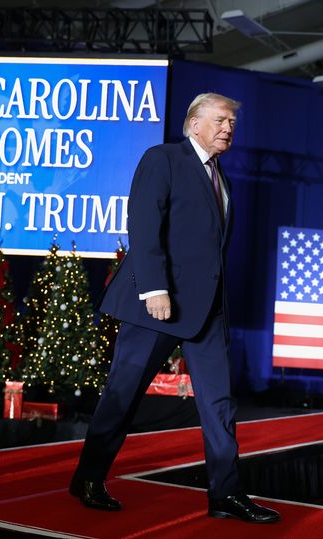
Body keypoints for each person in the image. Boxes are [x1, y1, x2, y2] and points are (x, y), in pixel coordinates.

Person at [70, 93, 280, 523]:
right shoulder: (163, 158)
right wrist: (153, 289)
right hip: (158, 305)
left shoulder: (222, 178)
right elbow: (144, 224)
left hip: (208, 311)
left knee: (220, 403)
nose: (228, 129)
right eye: (221, 120)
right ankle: (88, 478)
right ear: (195, 123)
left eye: (232, 123)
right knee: (123, 395)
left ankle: (226, 493)